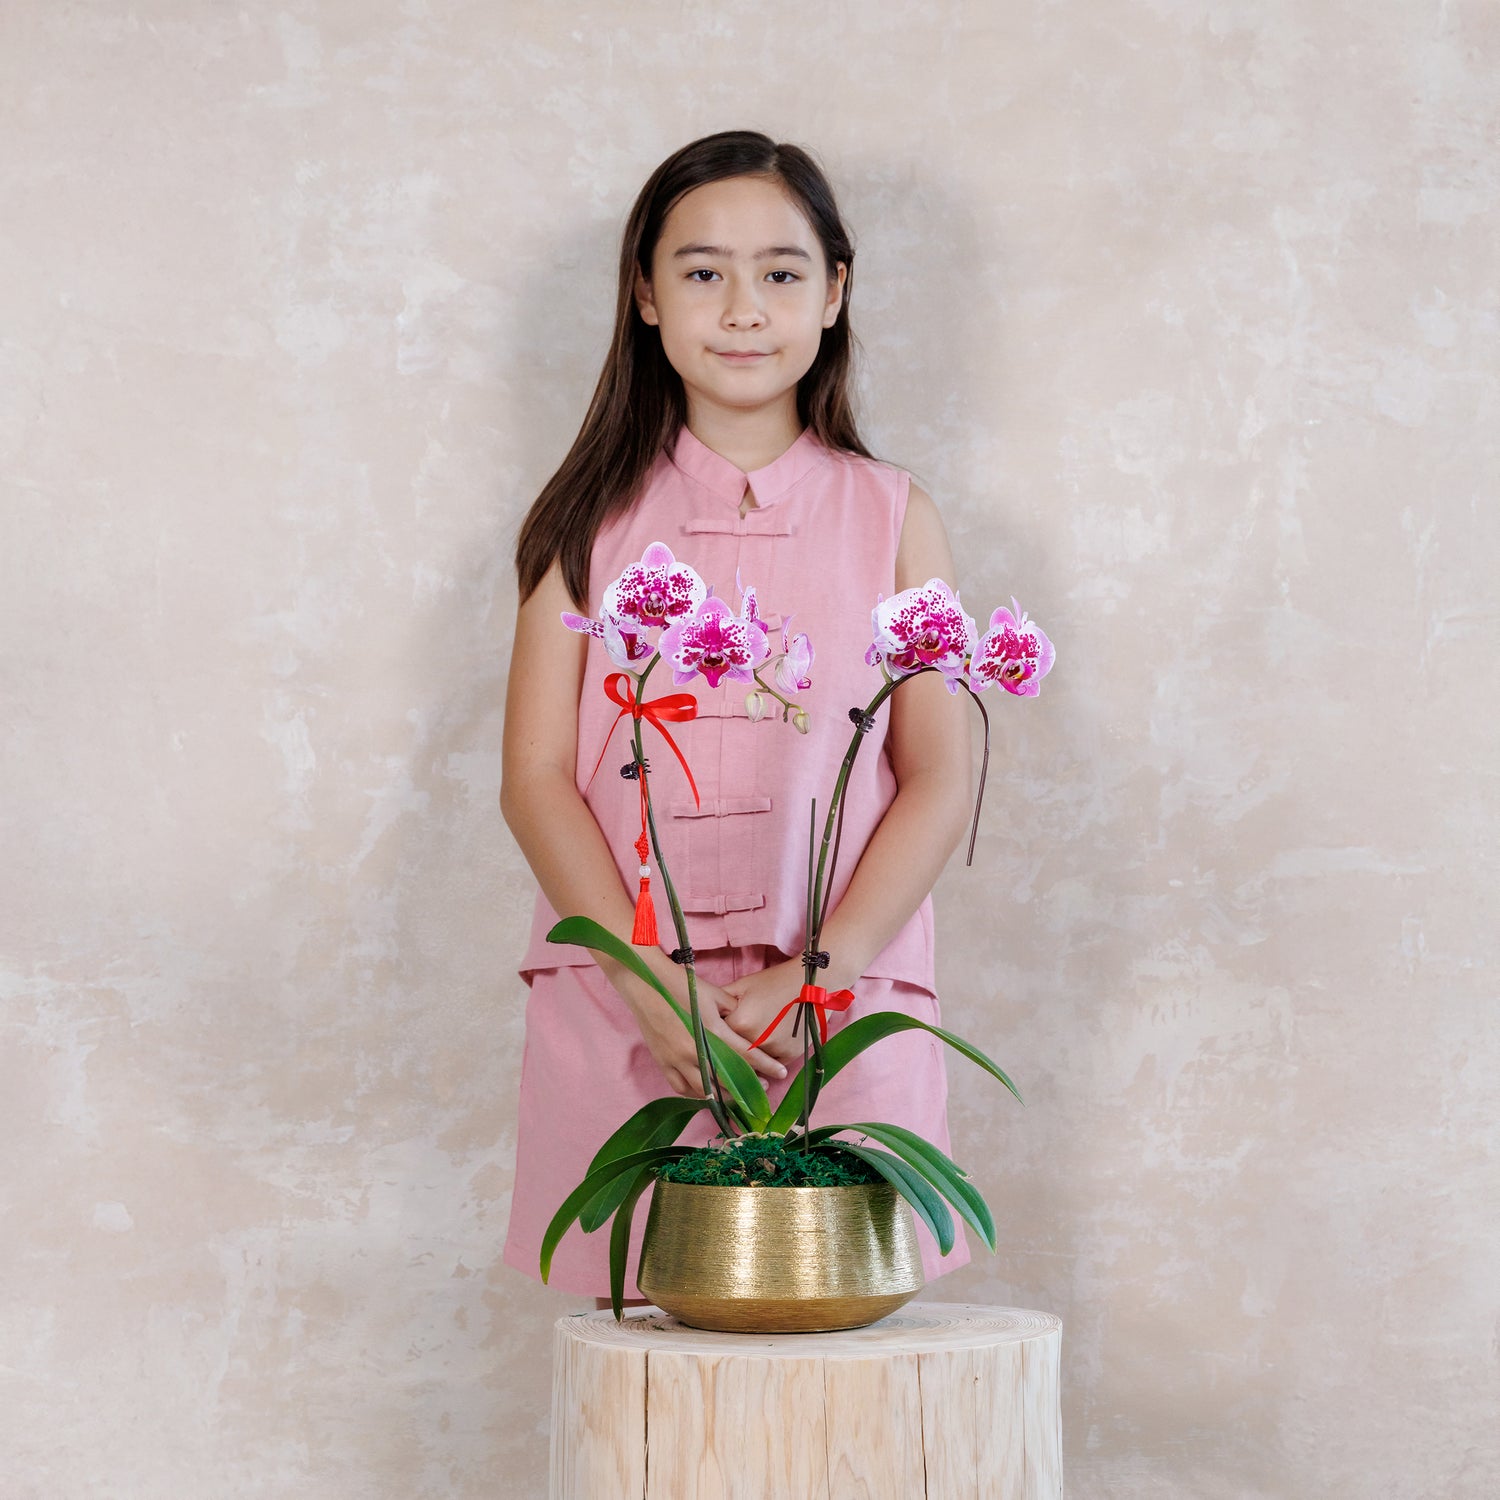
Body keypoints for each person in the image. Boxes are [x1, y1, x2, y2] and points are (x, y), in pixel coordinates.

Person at [499, 130, 974, 1308]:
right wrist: (649, 985)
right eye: (703, 270)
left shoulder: (895, 515)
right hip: (627, 1005)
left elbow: (939, 774)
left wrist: (825, 974)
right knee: (651, 1354)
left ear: (835, 292)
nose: (744, 308)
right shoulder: (583, 520)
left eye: (782, 271)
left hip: (842, 1002)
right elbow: (536, 777)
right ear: (646, 296)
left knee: (843, 1332)